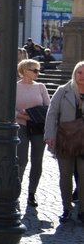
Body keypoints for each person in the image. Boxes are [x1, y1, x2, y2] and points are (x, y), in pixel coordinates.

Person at [43, 61, 84, 222]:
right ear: (74, 73)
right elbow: (52, 114)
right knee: (65, 176)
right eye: (79, 72)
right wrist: (49, 135)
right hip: (66, 139)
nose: (82, 76)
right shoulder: (63, 91)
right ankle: (66, 208)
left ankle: (82, 210)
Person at [16, 58, 50, 208]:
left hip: (38, 128)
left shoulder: (41, 87)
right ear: (24, 71)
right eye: (34, 70)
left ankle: (31, 193)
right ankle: (15, 191)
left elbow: (48, 108)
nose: (37, 73)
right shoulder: (15, 87)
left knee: (37, 161)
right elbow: (10, 108)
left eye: (38, 70)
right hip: (21, 126)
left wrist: (34, 116)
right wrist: (25, 116)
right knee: (21, 160)